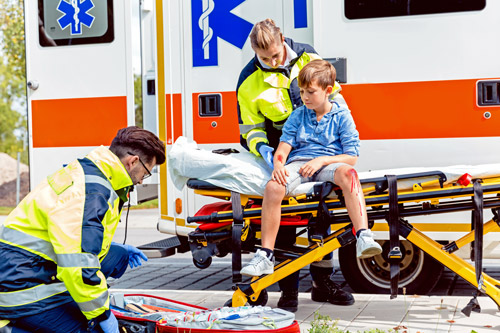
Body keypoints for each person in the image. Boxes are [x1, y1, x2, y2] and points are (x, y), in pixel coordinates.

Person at [240, 60, 383, 309]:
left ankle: (363, 236)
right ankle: (265, 255)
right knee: (273, 187)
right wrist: (278, 163)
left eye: (311, 92)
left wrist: (322, 161)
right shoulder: (297, 116)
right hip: (300, 165)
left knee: (349, 174)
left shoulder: (342, 115)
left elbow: (351, 155)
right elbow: (284, 146)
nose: (304, 97)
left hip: (327, 163)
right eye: (303, 91)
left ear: (328, 90)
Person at [236, 19, 354, 312]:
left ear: (283, 41)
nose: (272, 62)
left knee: (322, 216)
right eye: (264, 58)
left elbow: (333, 96)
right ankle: (288, 290)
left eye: (275, 55)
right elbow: (251, 129)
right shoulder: (248, 80)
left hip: (322, 148)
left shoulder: (308, 57)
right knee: (287, 218)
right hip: (284, 151)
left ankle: (321, 284)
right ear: (254, 52)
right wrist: (267, 153)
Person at [0, 126, 165, 333]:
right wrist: (101, 314)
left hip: (31, 264)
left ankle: (81, 298)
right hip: (21, 285)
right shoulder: (90, 192)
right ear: (132, 162)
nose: (141, 180)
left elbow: (77, 237)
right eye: (146, 173)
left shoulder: (93, 171)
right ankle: (14, 327)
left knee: (119, 256)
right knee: (92, 329)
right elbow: (77, 265)